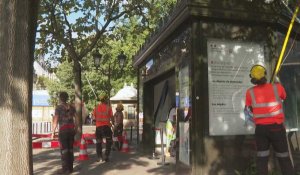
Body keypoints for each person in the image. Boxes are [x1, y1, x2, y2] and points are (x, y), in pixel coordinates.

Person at [244, 64, 295, 175]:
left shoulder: (250, 92)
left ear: (252, 78)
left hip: (261, 130)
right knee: (284, 158)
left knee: (262, 159)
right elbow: (284, 97)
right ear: (265, 75)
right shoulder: (277, 87)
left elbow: (249, 109)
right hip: (277, 128)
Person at [52, 91, 76, 174]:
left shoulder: (58, 108)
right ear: (67, 98)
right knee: (70, 149)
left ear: (60, 98)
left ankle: (65, 169)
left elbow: (55, 120)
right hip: (71, 130)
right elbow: (76, 118)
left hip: (63, 130)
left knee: (64, 150)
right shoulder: (72, 107)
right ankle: (71, 168)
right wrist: (75, 128)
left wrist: (53, 132)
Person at [93, 94, 113, 162]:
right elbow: (112, 117)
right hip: (106, 127)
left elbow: (94, 118)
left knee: (98, 142)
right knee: (109, 142)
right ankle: (106, 156)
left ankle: (100, 157)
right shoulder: (108, 108)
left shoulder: (96, 108)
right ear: (105, 100)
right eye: (107, 99)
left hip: (98, 128)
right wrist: (112, 123)